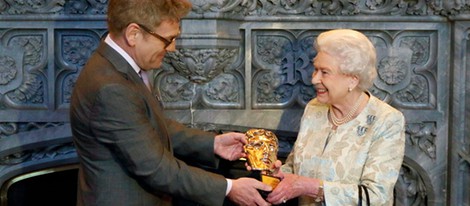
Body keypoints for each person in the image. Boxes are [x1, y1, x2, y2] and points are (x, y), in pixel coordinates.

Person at [69, 0, 272, 205]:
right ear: (133, 34)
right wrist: (229, 187)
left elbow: (149, 126)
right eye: (168, 39)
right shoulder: (111, 88)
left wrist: (213, 144)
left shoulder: (117, 69)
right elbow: (156, 169)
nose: (173, 48)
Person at [266, 29, 406, 205]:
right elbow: (295, 167)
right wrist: (276, 175)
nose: (314, 79)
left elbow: (376, 196)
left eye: (324, 72)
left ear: (352, 80)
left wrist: (310, 186)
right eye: (315, 70)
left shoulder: (386, 120)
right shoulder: (314, 108)